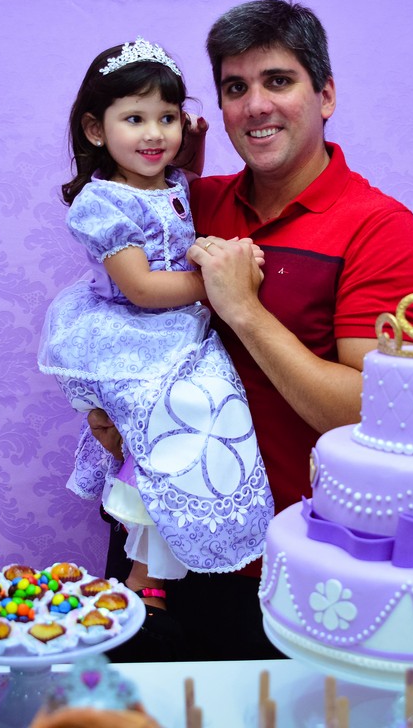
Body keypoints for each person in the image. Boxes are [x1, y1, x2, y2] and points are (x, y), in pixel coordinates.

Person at [92, 0, 413, 660]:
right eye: (234, 88)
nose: (254, 106)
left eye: (278, 81)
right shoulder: (191, 203)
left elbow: (373, 413)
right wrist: (107, 413)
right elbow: (123, 317)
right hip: (157, 547)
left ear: (326, 94)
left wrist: (245, 311)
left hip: (293, 567)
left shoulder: (380, 229)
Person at [37, 38, 275, 652]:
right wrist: (222, 283)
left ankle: (180, 550)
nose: (153, 134)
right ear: (95, 129)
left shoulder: (171, 180)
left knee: (208, 416)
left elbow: (178, 190)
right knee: (168, 423)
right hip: (134, 332)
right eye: (135, 119)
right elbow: (141, 287)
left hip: (181, 328)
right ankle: (145, 575)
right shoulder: (102, 203)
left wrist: (189, 148)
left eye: (167, 118)